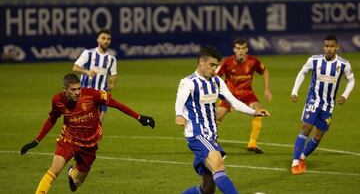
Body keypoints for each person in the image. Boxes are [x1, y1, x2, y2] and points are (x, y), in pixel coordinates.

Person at [20, 73, 155, 193]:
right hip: (69, 140)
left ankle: (72, 173)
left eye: (78, 88)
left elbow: (115, 104)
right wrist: (36, 141)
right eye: (73, 90)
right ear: (65, 90)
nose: (77, 92)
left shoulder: (92, 94)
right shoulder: (57, 100)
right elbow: (52, 119)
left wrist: (139, 117)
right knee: (53, 170)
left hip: (90, 144)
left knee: (77, 182)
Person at [175, 46, 270, 194]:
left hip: (211, 136)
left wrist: (254, 112)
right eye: (212, 65)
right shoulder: (188, 82)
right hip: (197, 135)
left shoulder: (217, 81)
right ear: (201, 62)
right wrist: (179, 115)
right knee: (218, 166)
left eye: (216, 65)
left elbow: (234, 101)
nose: (214, 69)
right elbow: (179, 102)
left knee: (207, 189)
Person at [290, 34, 355, 175]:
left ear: (337, 47)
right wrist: (295, 91)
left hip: (328, 105)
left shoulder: (343, 64)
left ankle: (302, 158)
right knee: (305, 128)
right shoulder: (314, 60)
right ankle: (295, 163)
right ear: (323, 47)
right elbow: (302, 73)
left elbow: (351, 81)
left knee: (318, 136)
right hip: (313, 101)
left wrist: (344, 95)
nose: (329, 49)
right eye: (326, 46)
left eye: (332, 46)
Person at [216, 38, 272, 154]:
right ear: (234, 50)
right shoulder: (227, 62)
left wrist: (267, 90)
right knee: (217, 115)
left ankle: (252, 143)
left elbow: (265, 71)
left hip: (247, 94)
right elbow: (216, 77)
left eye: (243, 48)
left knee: (259, 111)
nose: (240, 51)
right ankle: (211, 141)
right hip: (230, 95)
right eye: (238, 48)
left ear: (246, 49)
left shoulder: (253, 61)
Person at [73, 29, 117, 122]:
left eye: (108, 39)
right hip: (86, 95)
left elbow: (113, 75)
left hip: (102, 96)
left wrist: (112, 84)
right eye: (103, 38)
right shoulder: (88, 53)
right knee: (84, 123)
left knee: (98, 125)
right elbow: (75, 68)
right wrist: (86, 72)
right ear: (98, 39)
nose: (106, 41)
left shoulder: (111, 59)